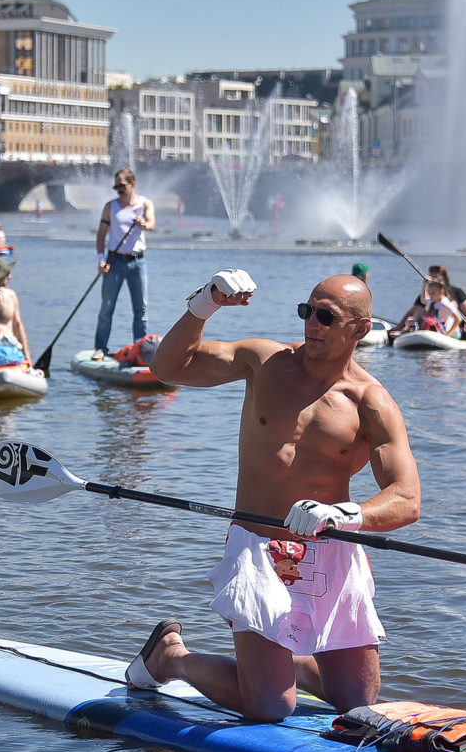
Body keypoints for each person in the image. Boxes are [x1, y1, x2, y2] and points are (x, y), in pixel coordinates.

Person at [135, 271, 421, 722]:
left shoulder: (371, 401)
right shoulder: (264, 362)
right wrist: (205, 303)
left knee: (357, 703)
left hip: (331, 551)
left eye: (327, 317)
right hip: (259, 549)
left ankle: (286, 664)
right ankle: (170, 657)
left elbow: (407, 498)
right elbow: (168, 368)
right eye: (307, 312)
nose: (313, 324)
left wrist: (343, 514)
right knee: (270, 707)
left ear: (361, 329)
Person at [93, 169, 156, 360]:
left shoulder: (145, 204)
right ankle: (100, 348)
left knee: (141, 309)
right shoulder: (110, 206)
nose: (118, 190)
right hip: (115, 262)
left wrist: (143, 224)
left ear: (133, 184)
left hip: (138, 262)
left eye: (122, 186)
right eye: (116, 187)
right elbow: (101, 235)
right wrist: (101, 260)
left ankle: (141, 349)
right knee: (107, 308)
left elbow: (152, 223)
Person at [390, 265, 466, 340]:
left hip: (449, 330)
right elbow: (422, 301)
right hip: (436, 327)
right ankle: (404, 330)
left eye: (436, 279)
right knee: (419, 312)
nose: (430, 295)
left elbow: (462, 316)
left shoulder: (449, 300)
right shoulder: (432, 297)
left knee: (426, 318)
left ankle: (408, 331)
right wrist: (424, 285)